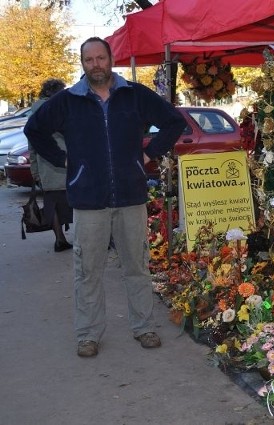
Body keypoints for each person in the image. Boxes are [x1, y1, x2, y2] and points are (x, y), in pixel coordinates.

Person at [24, 37, 186, 358]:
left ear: (111, 60)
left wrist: (150, 153)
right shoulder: (68, 100)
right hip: (88, 201)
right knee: (88, 270)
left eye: (101, 58)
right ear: (82, 64)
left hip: (130, 197)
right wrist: (62, 160)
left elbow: (174, 122)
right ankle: (88, 334)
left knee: (137, 266)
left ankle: (144, 327)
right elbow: (35, 129)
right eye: (89, 60)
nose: (96, 64)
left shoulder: (134, 95)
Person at [28, 78, 73, 252]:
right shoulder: (59, 110)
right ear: (53, 92)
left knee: (52, 203)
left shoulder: (35, 113)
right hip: (66, 160)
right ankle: (89, 239)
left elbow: (32, 144)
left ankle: (59, 239)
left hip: (45, 164)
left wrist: (35, 169)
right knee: (75, 201)